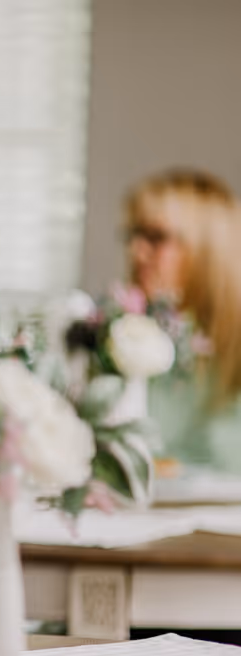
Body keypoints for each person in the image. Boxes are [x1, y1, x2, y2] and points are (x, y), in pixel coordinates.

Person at [123, 169, 241, 473]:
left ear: (207, 250)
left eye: (155, 237)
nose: (136, 250)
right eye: (132, 235)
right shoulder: (122, 342)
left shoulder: (232, 357)